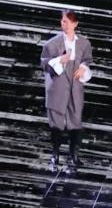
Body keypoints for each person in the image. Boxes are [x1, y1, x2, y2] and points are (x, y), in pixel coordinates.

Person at [40, 10, 94, 173]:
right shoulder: (51, 44)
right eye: (63, 21)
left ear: (75, 24)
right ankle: (55, 155)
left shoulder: (84, 43)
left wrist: (83, 67)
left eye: (69, 22)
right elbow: (44, 64)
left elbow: (87, 59)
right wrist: (59, 60)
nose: (66, 25)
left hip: (75, 87)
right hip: (57, 87)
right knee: (56, 122)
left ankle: (74, 156)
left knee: (75, 121)